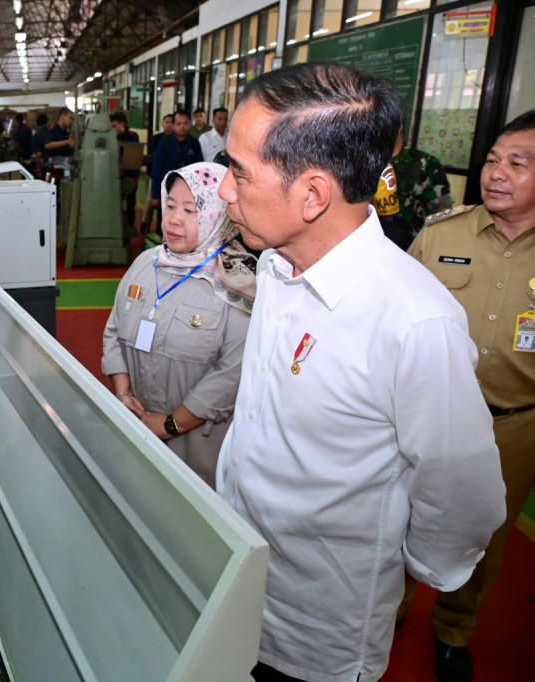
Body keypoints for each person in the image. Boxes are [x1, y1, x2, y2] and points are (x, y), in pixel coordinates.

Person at [215, 61, 505, 682]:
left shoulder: (415, 323)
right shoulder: (276, 267)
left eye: (239, 172)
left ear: (313, 194)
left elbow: (463, 496)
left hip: (317, 626)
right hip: (235, 579)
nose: (223, 190)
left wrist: (393, 561)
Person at [406, 109, 535, 682]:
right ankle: (383, 614)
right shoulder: (441, 233)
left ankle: (453, 632)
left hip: (514, 425)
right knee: (399, 521)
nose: (496, 173)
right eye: (491, 159)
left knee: (485, 538)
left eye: (517, 163)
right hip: (425, 415)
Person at [102, 161, 255, 486]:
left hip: (198, 446)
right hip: (135, 425)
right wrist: (123, 392)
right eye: (170, 205)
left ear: (217, 213)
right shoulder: (147, 262)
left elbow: (233, 370)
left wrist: (171, 424)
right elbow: (114, 328)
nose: (173, 219)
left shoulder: (237, 277)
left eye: (190, 210)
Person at [392, 126, 454, 238]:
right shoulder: (363, 162)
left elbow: (443, 212)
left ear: (400, 127)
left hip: (410, 248)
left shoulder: (427, 164)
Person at [149, 110, 204, 220]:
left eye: (185, 123)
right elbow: (157, 170)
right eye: (179, 124)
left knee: (185, 220)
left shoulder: (194, 143)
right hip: (167, 190)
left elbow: (200, 168)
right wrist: (155, 196)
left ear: (189, 124)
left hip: (188, 190)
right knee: (166, 221)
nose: (182, 127)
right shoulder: (164, 143)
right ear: (174, 126)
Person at [110, 111, 141, 229]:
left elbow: (133, 152)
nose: (112, 129)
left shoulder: (133, 136)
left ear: (122, 124)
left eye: (114, 126)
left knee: (130, 203)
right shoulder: (110, 138)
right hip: (114, 176)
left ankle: (129, 227)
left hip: (130, 177)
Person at [40, 107, 76, 177]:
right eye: (70, 118)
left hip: (63, 170)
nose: (71, 121)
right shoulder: (52, 129)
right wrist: (67, 142)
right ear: (62, 116)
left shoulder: (66, 132)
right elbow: (48, 145)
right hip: (52, 172)